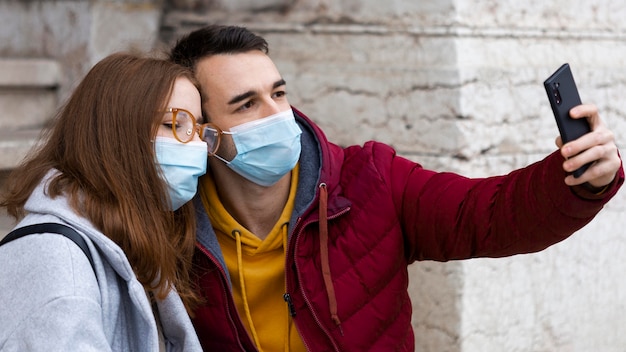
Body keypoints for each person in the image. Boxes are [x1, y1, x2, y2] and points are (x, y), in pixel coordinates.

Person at [169, 25, 624, 351]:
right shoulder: (169, 224)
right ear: (203, 133)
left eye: (279, 93)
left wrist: (580, 179)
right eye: (247, 104)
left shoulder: (370, 177)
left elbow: (487, 214)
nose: (277, 114)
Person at [0, 53, 208, 351]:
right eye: (173, 124)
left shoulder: (130, 240)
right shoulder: (57, 260)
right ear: (115, 132)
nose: (197, 146)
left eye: (198, 129)